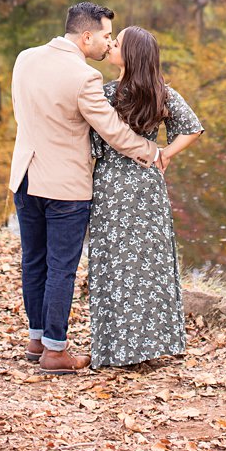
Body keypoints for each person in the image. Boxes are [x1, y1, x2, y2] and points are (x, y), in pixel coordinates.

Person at [8, 1, 163, 374]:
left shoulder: (24, 58)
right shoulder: (84, 77)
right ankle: (56, 353)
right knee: (62, 268)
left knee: (33, 261)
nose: (110, 45)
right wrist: (151, 152)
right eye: (107, 36)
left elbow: (21, 111)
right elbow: (111, 131)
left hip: (25, 177)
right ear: (87, 35)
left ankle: (37, 338)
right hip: (65, 187)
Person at [87, 26, 203, 369]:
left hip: (110, 186)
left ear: (131, 54)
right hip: (147, 185)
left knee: (114, 264)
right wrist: (165, 154)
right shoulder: (161, 93)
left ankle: (115, 348)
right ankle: (154, 344)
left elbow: (93, 144)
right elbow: (193, 128)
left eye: (117, 43)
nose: (111, 46)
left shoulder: (106, 95)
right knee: (149, 264)